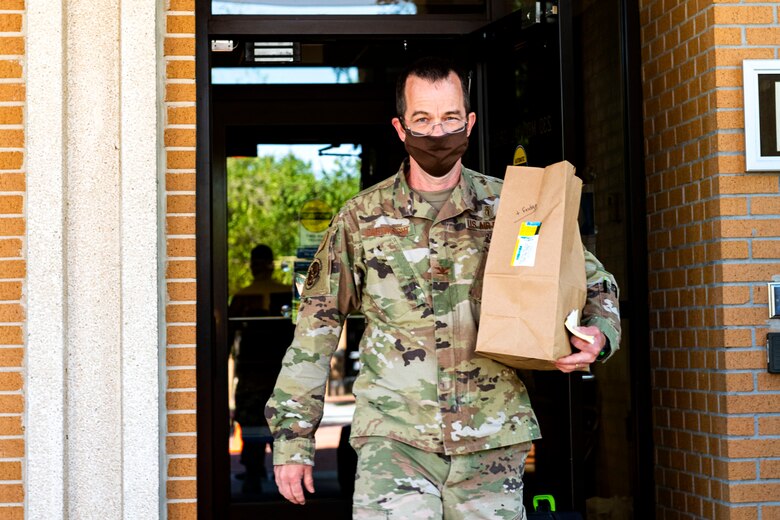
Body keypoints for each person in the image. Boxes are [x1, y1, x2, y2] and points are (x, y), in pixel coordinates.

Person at [265, 57, 621, 518]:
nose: (438, 132)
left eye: (450, 118)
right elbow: (316, 328)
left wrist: (599, 332)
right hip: (395, 440)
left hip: (492, 439)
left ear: (469, 122)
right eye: (423, 120)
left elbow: (594, 281)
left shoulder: (514, 207)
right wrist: (293, 441)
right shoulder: (361, 218)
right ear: (400, 127)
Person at [229, 244, 292, 493]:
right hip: (255, 374)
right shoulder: (243, 296)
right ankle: (255, 474)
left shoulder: (284, 294)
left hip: (278, 374)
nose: (258, 267)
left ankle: (280, 480)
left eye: (261, 262)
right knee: (252, 427)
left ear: (269, 264)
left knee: (282, 427)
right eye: (255, 262)